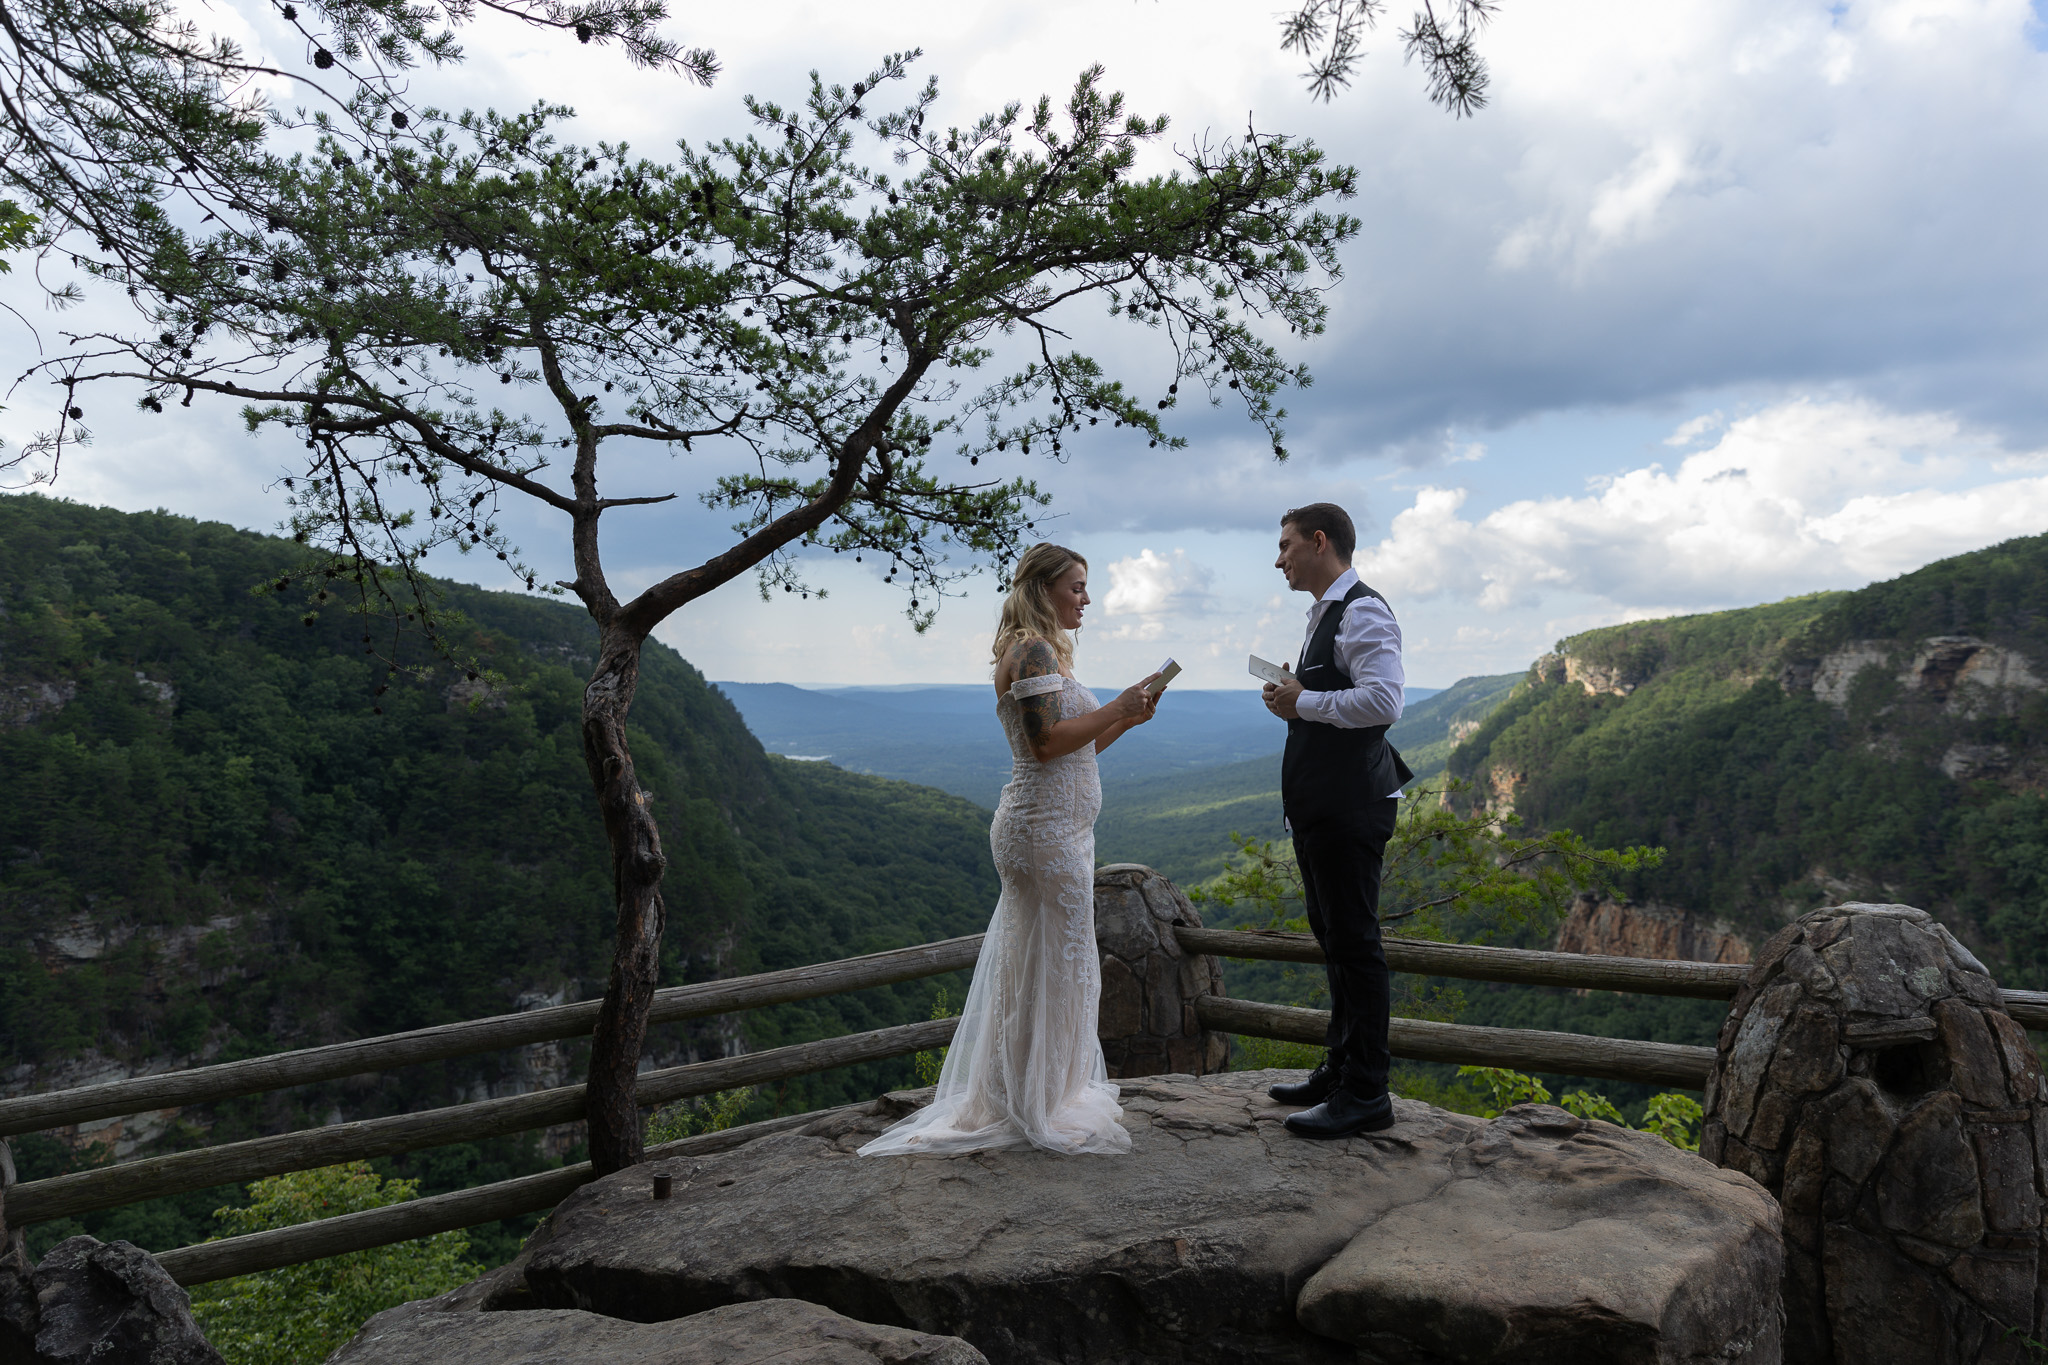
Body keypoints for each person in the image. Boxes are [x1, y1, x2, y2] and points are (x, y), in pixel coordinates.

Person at [860, 543, 1161, 1156]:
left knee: (1043, 965)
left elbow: (1070, 754)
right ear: (1044, 588)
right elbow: (1046, 744)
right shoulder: (1031, 649)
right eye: (1076, 586)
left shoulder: (1040, 651)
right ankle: (1030, 1104)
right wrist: (1116, 705)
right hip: (1043, 833)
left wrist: (1125, 721)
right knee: (1054, 964)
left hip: (1058, 829)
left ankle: (1030, 1093)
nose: (1086, 598)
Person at [1260, 503, 1414, 1139]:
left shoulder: (1364, 609)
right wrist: (1296, 697)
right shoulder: (1324, 612)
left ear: (1320, 542)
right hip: (1324, 805)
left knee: (1355, 944)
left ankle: (1366, 1093)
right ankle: (1341, 1066)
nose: (1280, 559)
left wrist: (1306, 701)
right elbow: (1337, 697)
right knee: (1333, 936)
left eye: (1287, 545)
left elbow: (1385, 701)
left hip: (1353, 805)